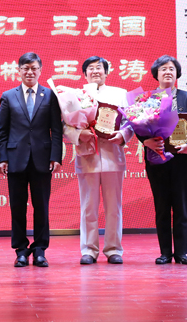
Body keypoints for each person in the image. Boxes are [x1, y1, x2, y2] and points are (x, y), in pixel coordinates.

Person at [62, 56, 133, 265]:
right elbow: (65, 125)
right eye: (90, 68)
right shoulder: (76, 96)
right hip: (88, 157)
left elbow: (130, 120)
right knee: (88, 207)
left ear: (106, 72)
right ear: (84, 74)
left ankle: (114, 249)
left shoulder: (120, 94)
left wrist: (123, 135)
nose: (95, 71)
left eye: (99, 68)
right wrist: (78, 135)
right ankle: (89, 250)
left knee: (114, 207)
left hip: (113, 156)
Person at [0, 52, 62, 268]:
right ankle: (21, 250)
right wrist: (2, 158)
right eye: (25, 68)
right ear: (19, 71)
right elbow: (2, 131)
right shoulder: (8, 96)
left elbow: (56, 129)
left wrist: (55, 156)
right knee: (17, 207)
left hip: (42, 159)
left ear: (40, 70)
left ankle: (40, 249)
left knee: (41, 206)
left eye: (34, 68)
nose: (29, 72)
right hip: (15, 159)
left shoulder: (50, 95)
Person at [140, 56, 187, 265]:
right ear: (156, 74)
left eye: (172, 69)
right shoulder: (148, 98)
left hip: (182, 158)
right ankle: (165, 253)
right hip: (157, 158)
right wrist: (145, 141)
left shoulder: (185, 96)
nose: (168, 72)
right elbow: (136, 123)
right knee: (162, 206)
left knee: (181, 206)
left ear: (177, 74)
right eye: (163, 69)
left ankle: (181, 253)